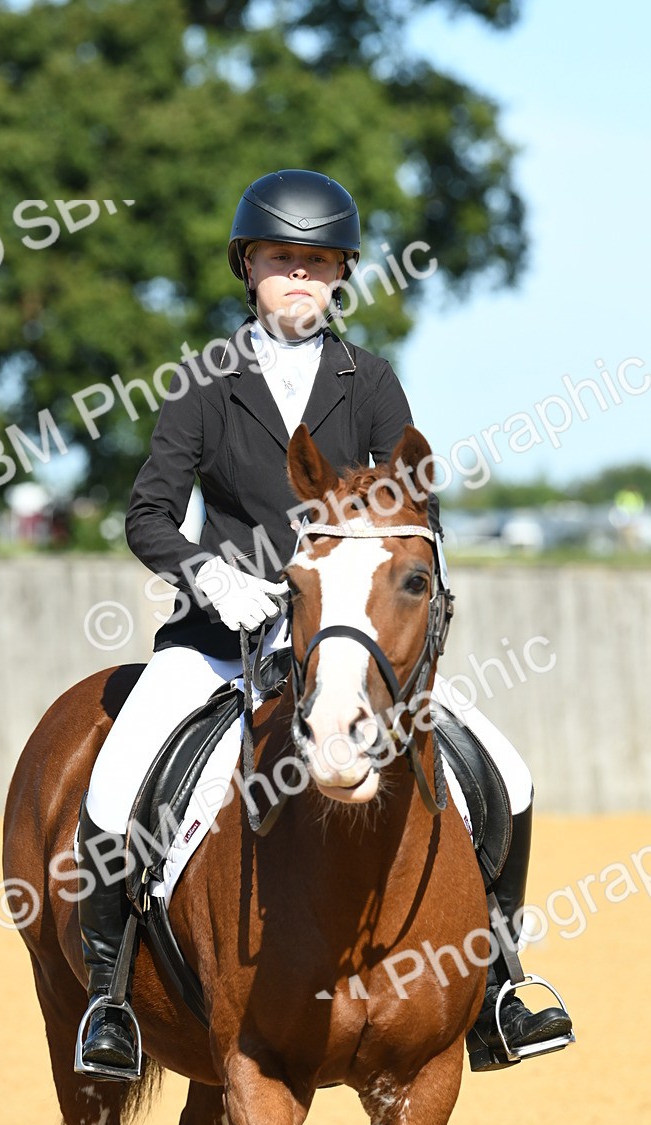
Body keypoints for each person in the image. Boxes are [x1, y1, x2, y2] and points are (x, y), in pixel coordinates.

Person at [75, 168, 573, 1079]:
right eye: (279, 261)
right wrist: (211, 576)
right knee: (115, 782)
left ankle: (500, 983)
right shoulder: (204, 382)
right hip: (221, 641)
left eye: (315, 262)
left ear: (341, 273)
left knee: (505, 768)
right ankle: (110, 998)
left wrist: (372, 600)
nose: (297, 278)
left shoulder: (370, 380)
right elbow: (147, 514)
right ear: (248, 268)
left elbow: (412, 515)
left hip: (349, 640)